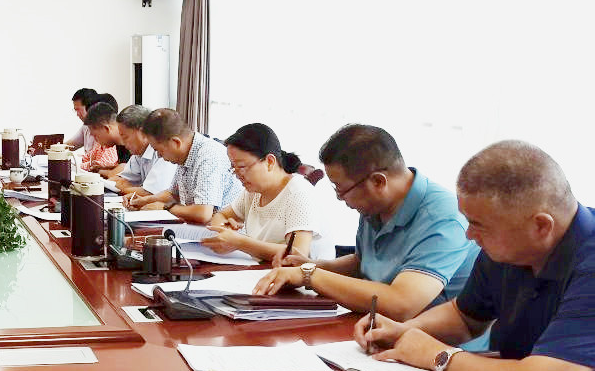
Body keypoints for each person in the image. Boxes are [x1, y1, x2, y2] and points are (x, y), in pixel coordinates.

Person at [357, 141, 595, 371]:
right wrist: (406, 331)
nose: (469, 235)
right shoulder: (511, 247)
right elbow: (465, 316)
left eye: (479, 225)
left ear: (541, 226)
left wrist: (437, 355)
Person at [253, 124, 479, 320]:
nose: (339, 198)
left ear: (378, 182)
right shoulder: (375, 204)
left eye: (341, 189)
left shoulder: (445, 217)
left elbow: (402, 304)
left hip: (436, 345)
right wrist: (312, 265)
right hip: (375, 327)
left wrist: (310, 275)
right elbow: (363, 262)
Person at [202, 123, 321, 262]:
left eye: (242, 166)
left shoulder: (298, 192)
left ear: (269, 162)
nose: (237, 175)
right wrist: (224, 230)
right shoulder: (253, 191)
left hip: (303, 275)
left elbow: (297, 254)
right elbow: (221, 215)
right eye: (233, 168)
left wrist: (239, 242)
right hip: (262, 269)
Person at [132, 108, 242, 222]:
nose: (159, 155)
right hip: (199, 226)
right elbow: (173, 194)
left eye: (159, 150)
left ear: (176, 142)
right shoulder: (185, 153)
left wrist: (165, 208)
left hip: (222, 228)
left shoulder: (208, 155)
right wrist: (145, 201)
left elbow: (203, 213)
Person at [110, 105, 177, 192]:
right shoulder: (139, 153)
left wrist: (126, 188)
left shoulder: (163, 151)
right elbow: (121, 180)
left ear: (142, 132)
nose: (123, 142)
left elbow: (151, 192)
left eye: (125, 137)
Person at [79, 102, 120, 173]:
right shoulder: (118, 144)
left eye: (95, 136)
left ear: (106, 129)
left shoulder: (129, 145)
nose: (96, 140)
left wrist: (101, 171)